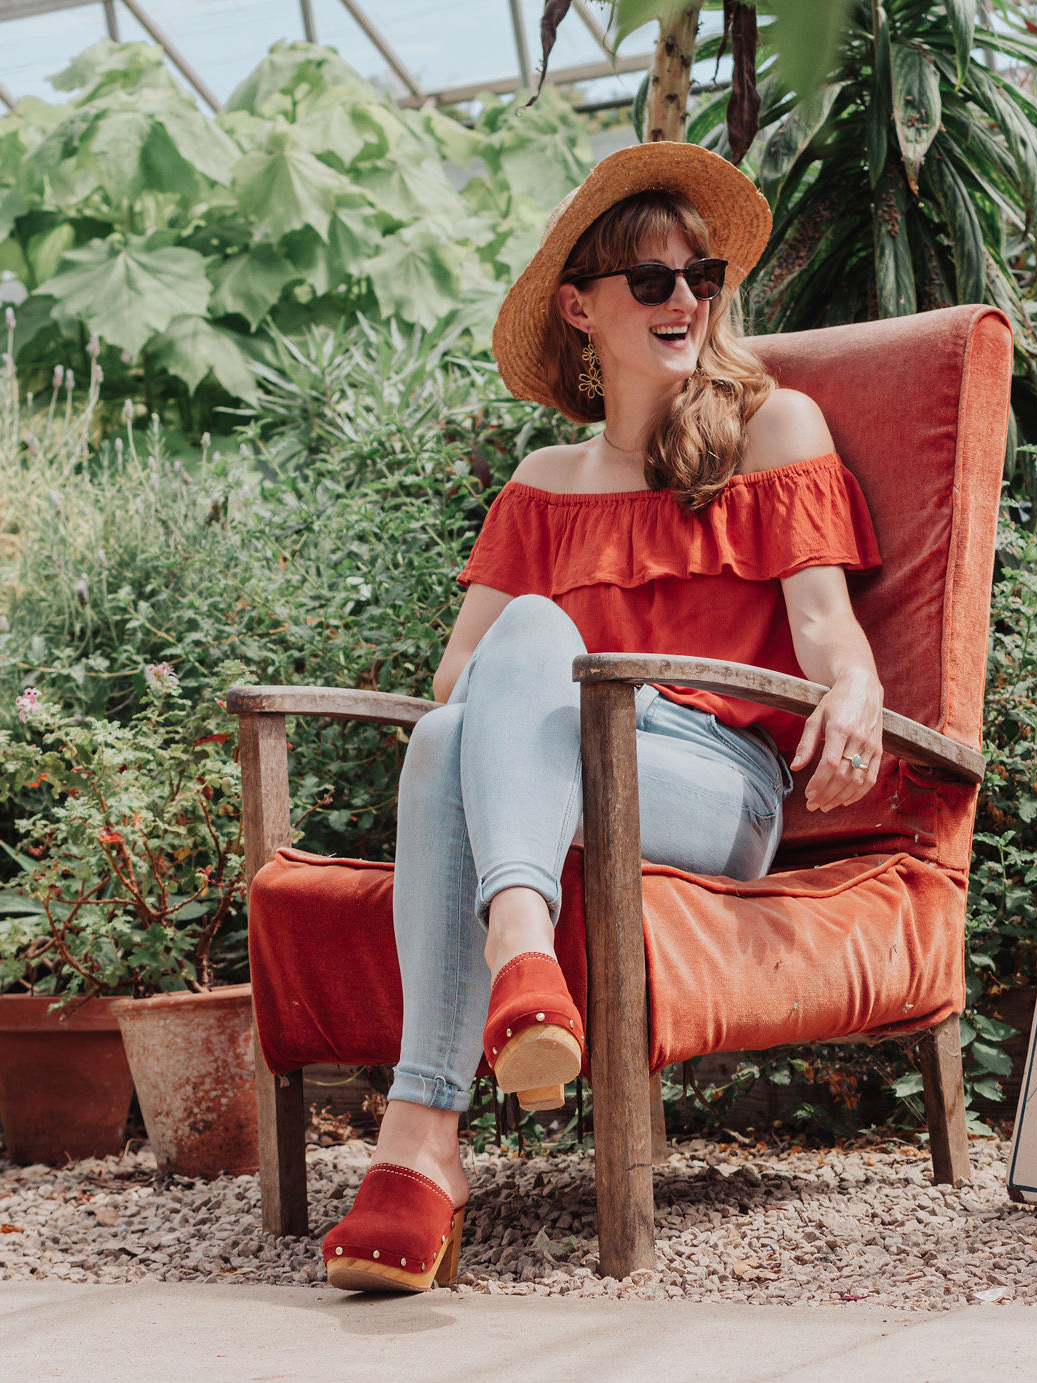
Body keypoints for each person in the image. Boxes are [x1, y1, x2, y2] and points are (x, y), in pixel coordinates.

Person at [322, 141, 885, 1293]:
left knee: (494, 689)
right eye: (651, 281)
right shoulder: (540, 481)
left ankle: (483, 1012)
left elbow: (825, 630)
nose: (685, 299)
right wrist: (539, 668)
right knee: (460, 716)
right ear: (581, 308)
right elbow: (455, 683)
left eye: (702, 277)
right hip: (566, 781)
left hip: (713, 780)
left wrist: (862, 690)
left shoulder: (771, 430)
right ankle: (423, 1142)